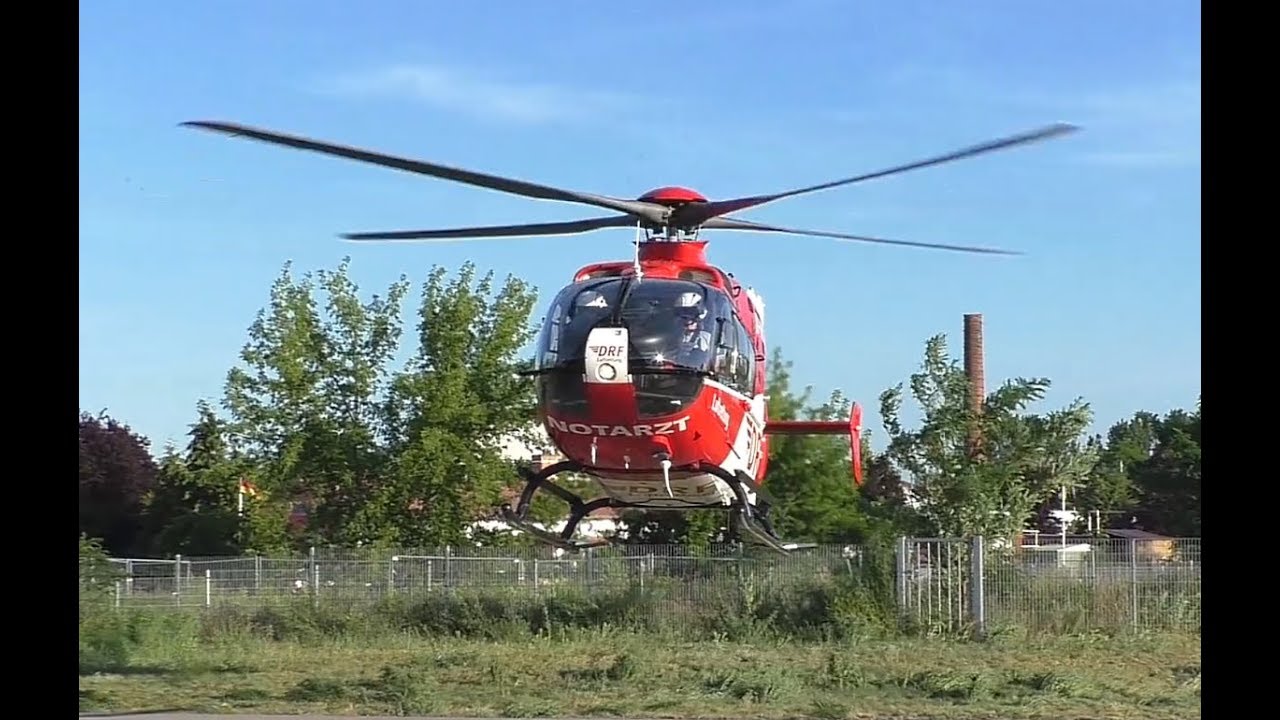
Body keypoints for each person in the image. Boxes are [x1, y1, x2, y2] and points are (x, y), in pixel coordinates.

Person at [674, 291, 712, 364]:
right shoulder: (671, 336)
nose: (687, 317)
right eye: (682, 312)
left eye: (691, 312)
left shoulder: (708, 340)